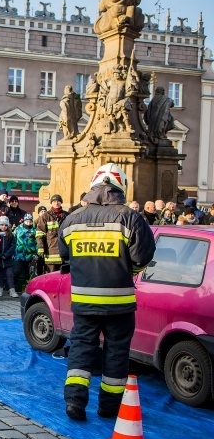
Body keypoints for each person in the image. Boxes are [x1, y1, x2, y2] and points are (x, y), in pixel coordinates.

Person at [58, 163, 155, 421]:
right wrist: (127, 270)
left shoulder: (72, 219)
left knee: (81, 348)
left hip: (83, 301)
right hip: (119, 302)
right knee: (116, 353)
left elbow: (65, 256)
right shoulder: (131, 217)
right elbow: (143, 257)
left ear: (93, 185)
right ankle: (109, 408)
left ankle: (74, 403)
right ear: (121, 185)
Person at [36, 194, 67, 273]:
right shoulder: (45, 216)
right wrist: (41, 248)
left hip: (64, 253)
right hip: (50, 252)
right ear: (51, 203)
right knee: (51, 277)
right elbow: (40, 234)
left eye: (58, 201)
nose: (56, 203)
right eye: (54, 201)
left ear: (61, 203)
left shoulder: (67, 216)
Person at [13, 213, 38, 292]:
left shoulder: (34, 230)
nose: (28, 223)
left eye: (30, 221)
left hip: (31, 255)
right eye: (27, 221)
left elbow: (37, 242)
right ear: (24, 221)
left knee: (29, 273)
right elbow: (13, 240)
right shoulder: (18, 228)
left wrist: (36, 253)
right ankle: (14, 285)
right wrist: (13, 252)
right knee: (17, 271)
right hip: (19, 254)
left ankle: (26, 288)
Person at [0, 216, 17, 297]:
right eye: (1, 225)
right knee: (0, 275)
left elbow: (13, 246)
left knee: (9, 274)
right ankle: (0, 289)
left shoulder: (11, 235)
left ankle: (11, 289)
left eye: (5, 225)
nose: (3, 227)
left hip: (8, 259)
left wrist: (6, 255)